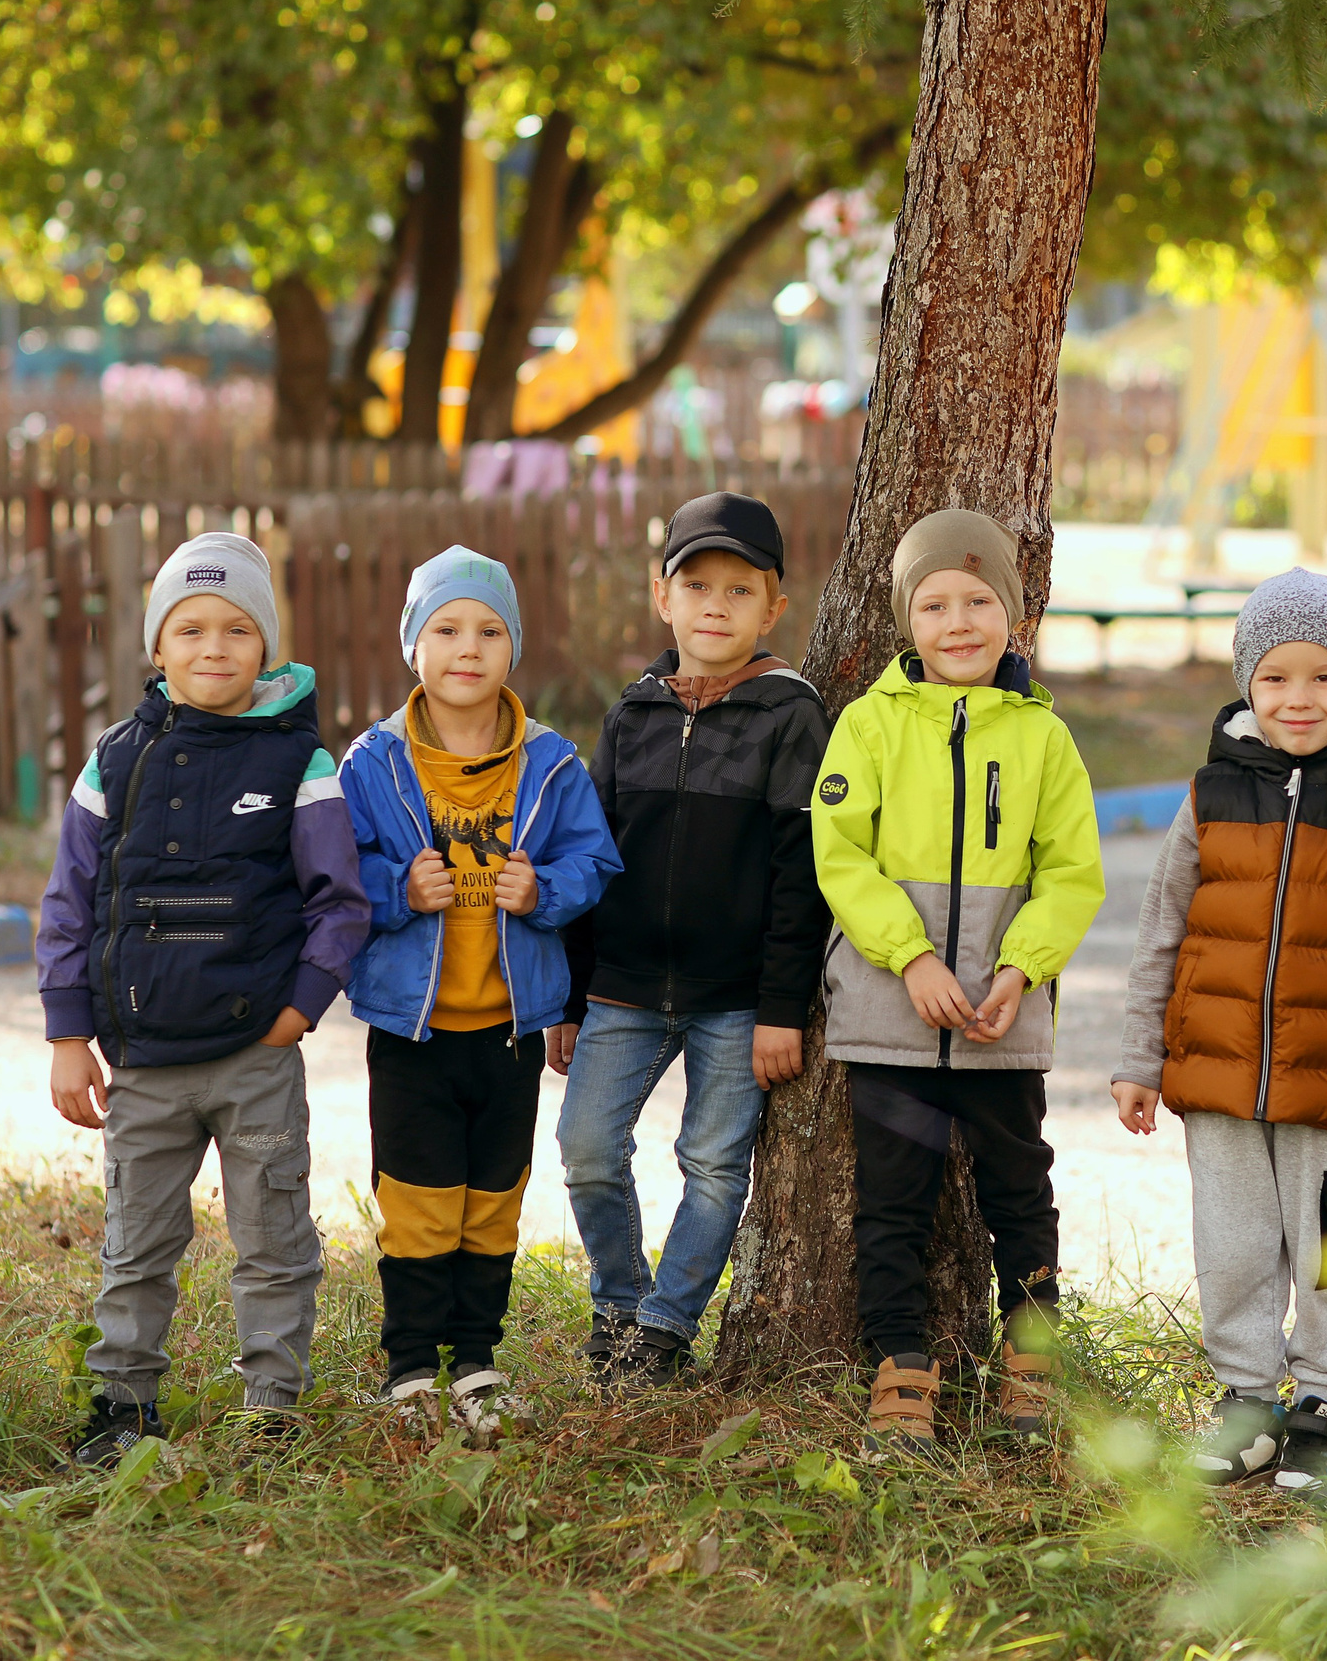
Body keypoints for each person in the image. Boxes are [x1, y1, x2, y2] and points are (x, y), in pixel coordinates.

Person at [1108, 569, 1327, 1496]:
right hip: (1216, 1081)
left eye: (1322, 678)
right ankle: (1247, 1403)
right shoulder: (1212, 793)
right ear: (1246, 686)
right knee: (1231, 1248)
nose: (1298, 699)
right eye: (1276, 679)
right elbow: (1161, 927)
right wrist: (1142, 1055)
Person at [35, 532, 369, 1469]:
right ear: (157, 646)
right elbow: (68, 902)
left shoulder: (299, 763)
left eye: (236, 629)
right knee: (136, 1244)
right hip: (141, 1065)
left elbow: (339, 903)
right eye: (189, 628)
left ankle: (273, 1404)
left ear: (266, 645)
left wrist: (299, 1009)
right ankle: (121, 1404)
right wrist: (69, 1034)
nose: (213, 646)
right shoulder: (116, 763)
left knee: (272, 1236)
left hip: (255, 1059)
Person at [810, 508, 1106, 1455]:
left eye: (979, 600)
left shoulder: (1043, 738)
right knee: (891, 1201)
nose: (958, 621)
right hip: (893, 1015)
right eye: (934, 603)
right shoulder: (869, 725)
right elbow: (840, 856)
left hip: (998, 1017)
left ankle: (1032, 1364)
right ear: (908, 619)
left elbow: (1070, 872)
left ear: (1012, 615)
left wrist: (1021, 969)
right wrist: (913, 956)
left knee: (1020, 1191)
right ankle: (901, 1375)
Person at [337, 546, 621, 1433]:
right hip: (413, 1032)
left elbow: (596, 860)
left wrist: (546, 891)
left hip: (509, 1027)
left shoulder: (551, 763)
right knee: (419, 1202)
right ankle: (412, 1365)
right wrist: (397, 890)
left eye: (490, 630)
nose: (469, 646)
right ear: (413, 647)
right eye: (447, 628)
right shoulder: (375, 762)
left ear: (514, 648)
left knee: (493, 1201)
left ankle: (478, 1361)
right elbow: (336, 874)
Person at [553, 493, 831, 1387]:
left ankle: (663, 1332)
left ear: (773, 608)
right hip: (624, 987)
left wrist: (783, 1007)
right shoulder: (631, 714)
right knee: (588, 1146)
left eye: (740, 590)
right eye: (697, 584)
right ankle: (619, 1302)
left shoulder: (790, 716)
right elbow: (587, 861)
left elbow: (803, 873)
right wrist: (570, 993)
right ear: (661, 596)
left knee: (713, 1164)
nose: (716, 605)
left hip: (737, 996)